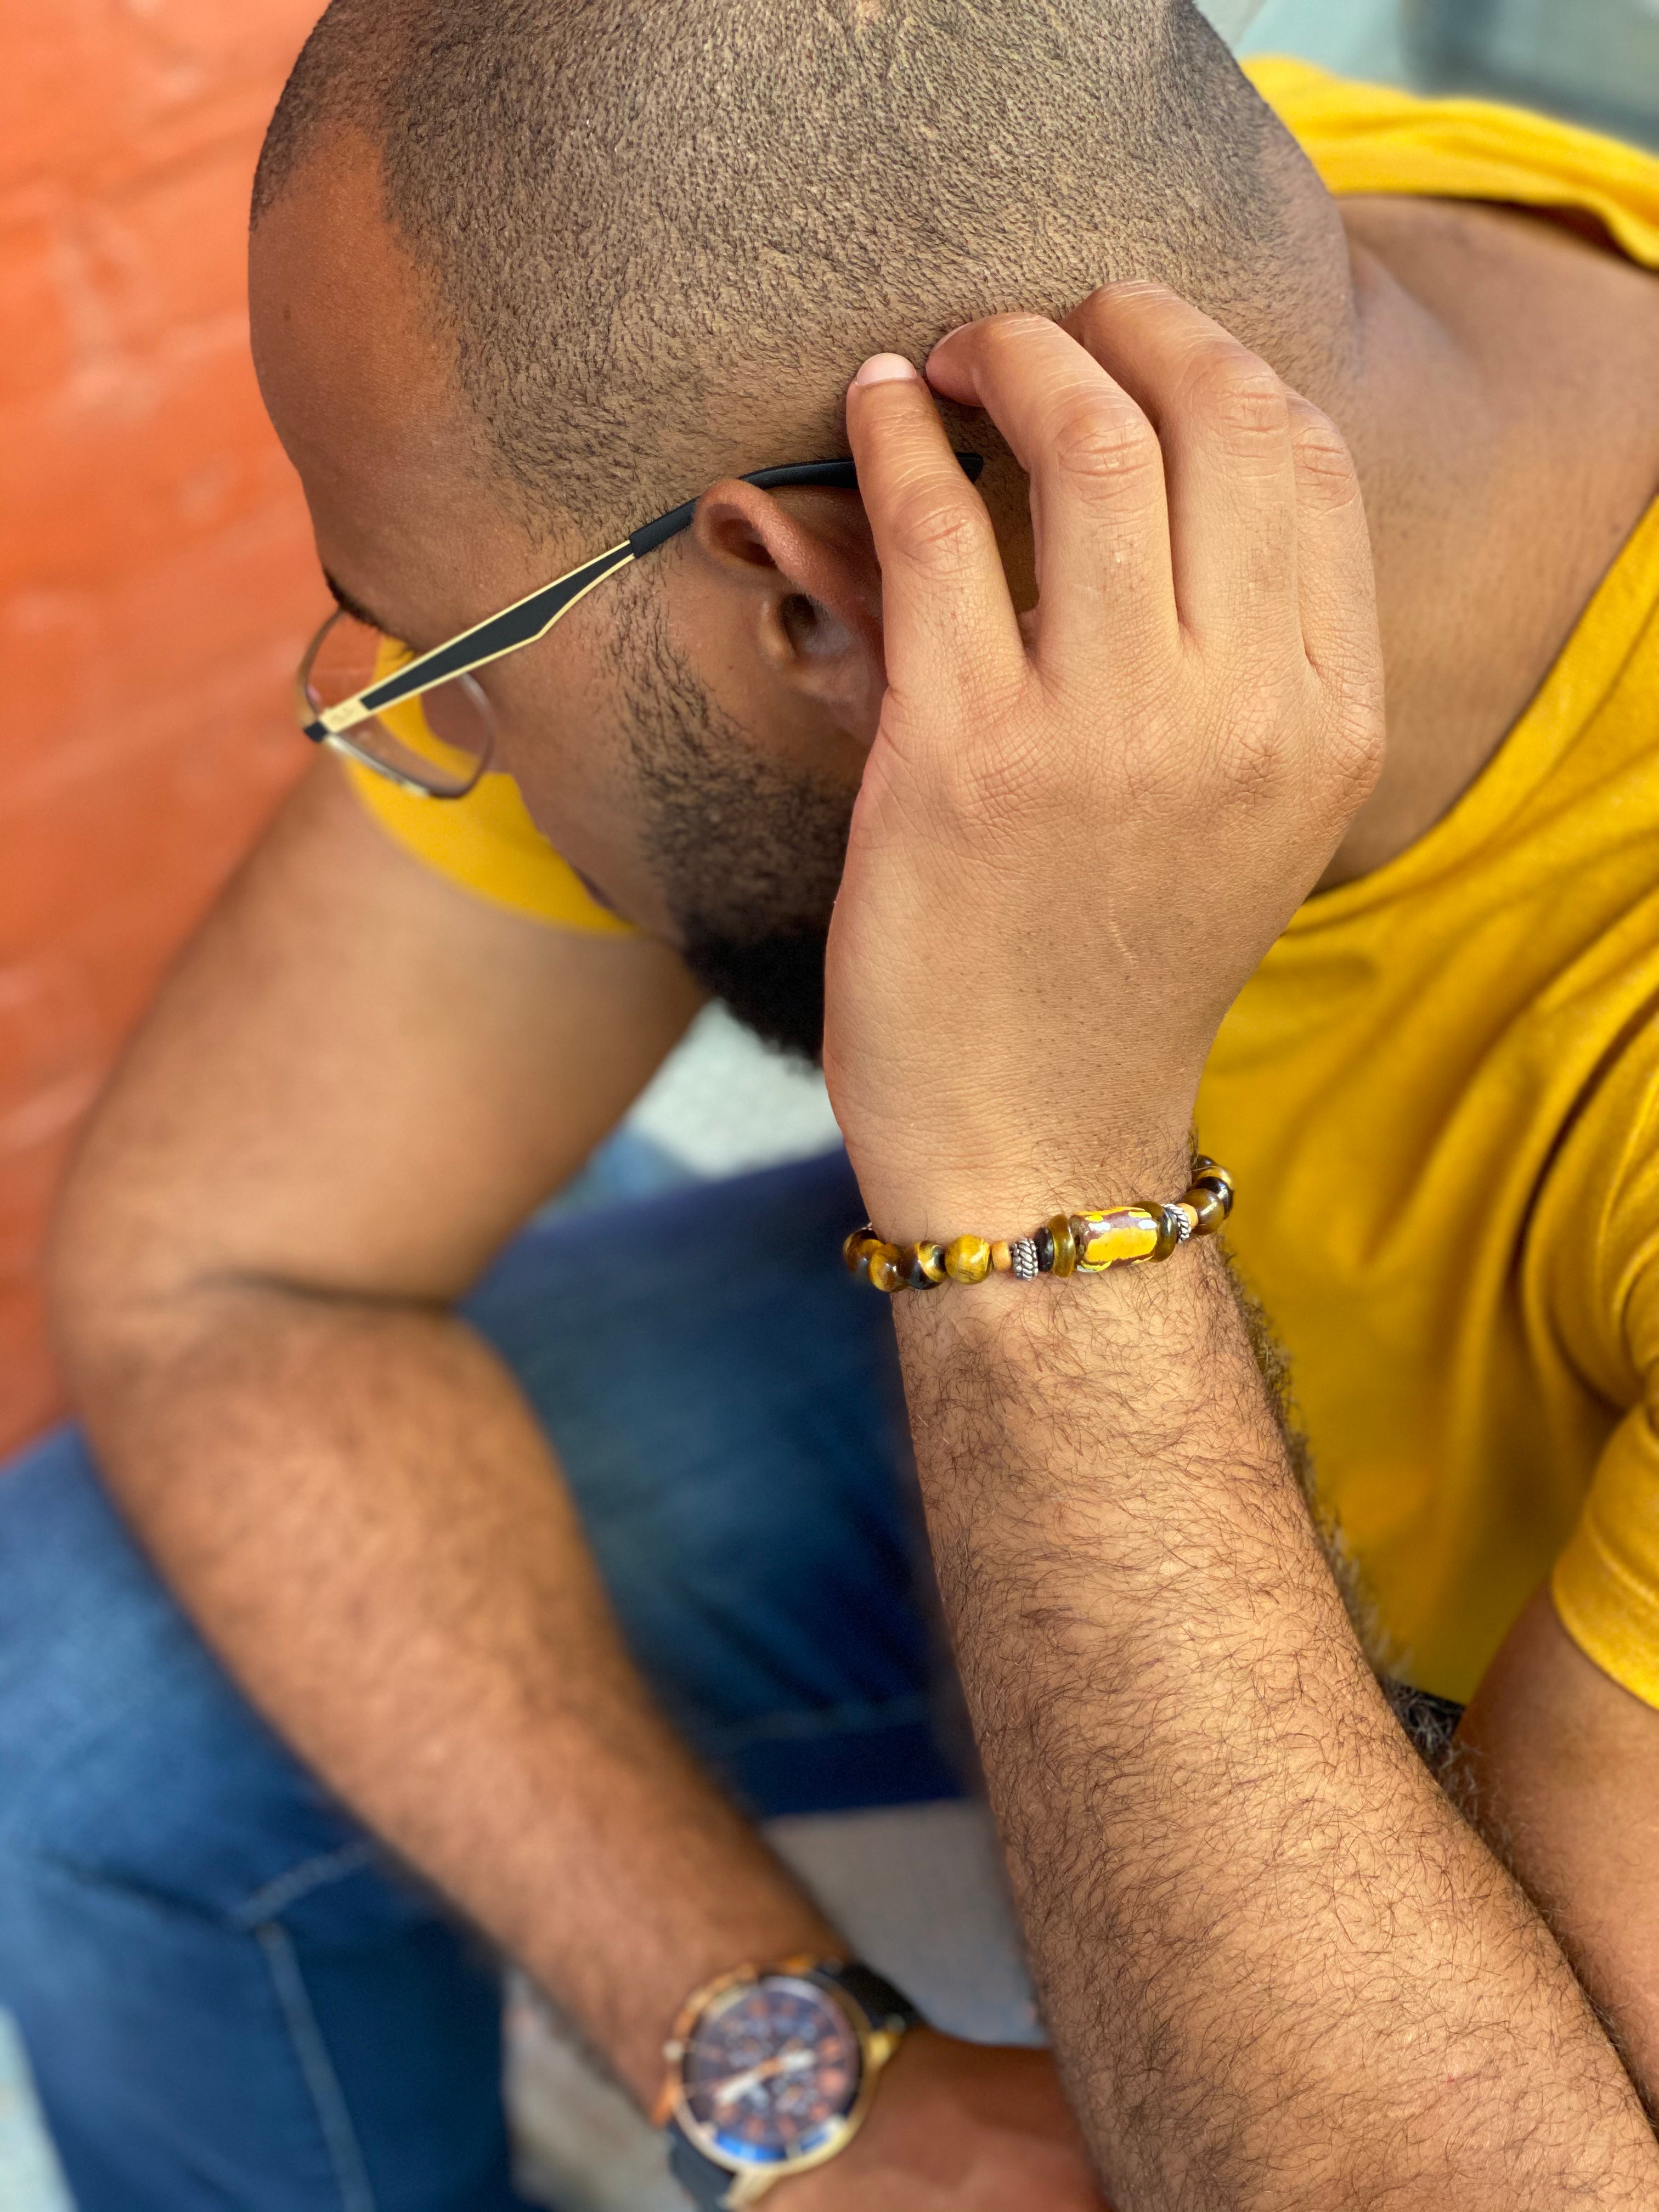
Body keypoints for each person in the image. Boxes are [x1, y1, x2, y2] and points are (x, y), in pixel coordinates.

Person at [1, 0, 1657, 2202]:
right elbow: (227, 1266)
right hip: (1165, 1378)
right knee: (90, 1677)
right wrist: (789, 2068)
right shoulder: (1006, 303)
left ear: (819, 603)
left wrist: (1040, 1200)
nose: (440, 753)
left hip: (1482, 1680)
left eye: (434, 675)